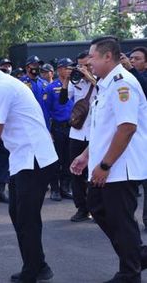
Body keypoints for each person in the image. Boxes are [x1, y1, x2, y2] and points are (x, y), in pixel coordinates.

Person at [0, 47, 58, 283]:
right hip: (23, 158)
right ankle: (38, 264)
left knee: (25, 217)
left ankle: (33, 271)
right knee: (19, 213)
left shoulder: (4, 86)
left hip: (35, 158)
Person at [70, 36, 147, 283]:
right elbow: (102, 130)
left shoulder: (122, 83)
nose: (88, 62)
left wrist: (105, 165)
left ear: (107, 56)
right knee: (98, 208)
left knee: (120, 221)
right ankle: (136, 257)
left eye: (92, 56)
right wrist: (85, 155)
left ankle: (130, 273)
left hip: (119, 168)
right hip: (105, 166)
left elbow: (126, 128)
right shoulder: (105, 85)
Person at [59, 51, 97, 222]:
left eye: (87, 65)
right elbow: (62, 100)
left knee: (95, 173)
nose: (83, 69)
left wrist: (89, 77)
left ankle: (97, 208)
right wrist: (66, 80)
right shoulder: (76, 81)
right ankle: (81, 208)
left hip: (96, 134)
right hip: (77, 133)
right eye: (80, 65)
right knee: (76, 171)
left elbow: (104, 91)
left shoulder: (102, 80)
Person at [44, 58, 74, 201]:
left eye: (71, 67)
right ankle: (55, 189)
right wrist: (47, 131)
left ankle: (65, 187)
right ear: (60, 69)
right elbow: (45, 111)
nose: (69, 70)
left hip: (73, 127)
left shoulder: (76, 85)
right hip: (57, 128)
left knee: (69, 159)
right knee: (56, 160)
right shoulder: (50, 88)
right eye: (67, 67)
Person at [20, 55, 51, 129]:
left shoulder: (45, 83)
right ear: (27, 68)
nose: (38, 67)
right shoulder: (20, 83)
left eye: (39, 65)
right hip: (28, 122)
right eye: (34, 65)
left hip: (44, 122)